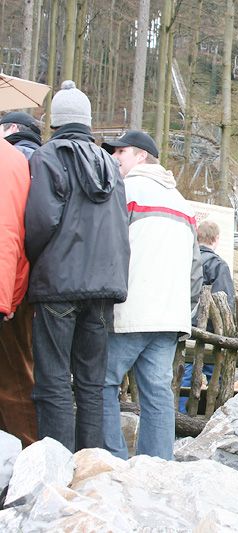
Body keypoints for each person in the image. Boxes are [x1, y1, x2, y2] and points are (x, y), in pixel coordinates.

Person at [25, 81, 130, 452]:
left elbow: (40, 221)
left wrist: (32, 262)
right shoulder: (111, 165)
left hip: (58, 283)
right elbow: (122, 225)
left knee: (53, 380)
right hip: (104, 287)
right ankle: (90, 463)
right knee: (90, 383)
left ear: (55, 121)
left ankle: (57, 468)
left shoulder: (48, 157)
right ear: (87, 121)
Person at [100, 130, 201, 460]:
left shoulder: (124, 191)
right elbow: (195, 270)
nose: (114, 157)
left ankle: (113, 462)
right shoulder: (183, 204)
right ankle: (157, 467)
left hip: (129, 311)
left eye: (122, 151)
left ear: (142, 155)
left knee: (102, 382)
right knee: (158, 393)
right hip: (169, 317)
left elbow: (108, 249)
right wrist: (185, 312)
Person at [0, 138, 37, 446]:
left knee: (15, 380)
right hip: (12, 286)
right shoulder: (16, 162)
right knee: (16, 379)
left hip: (10, 287)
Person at [179, 220, 235, 412]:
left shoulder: (185, 259)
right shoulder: (218, 265)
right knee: (215, 374)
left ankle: (178, 414)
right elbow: (224, 299)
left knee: (183, 372)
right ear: (216, 238)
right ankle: (216, 416)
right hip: (210, 333)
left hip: (183, 327)